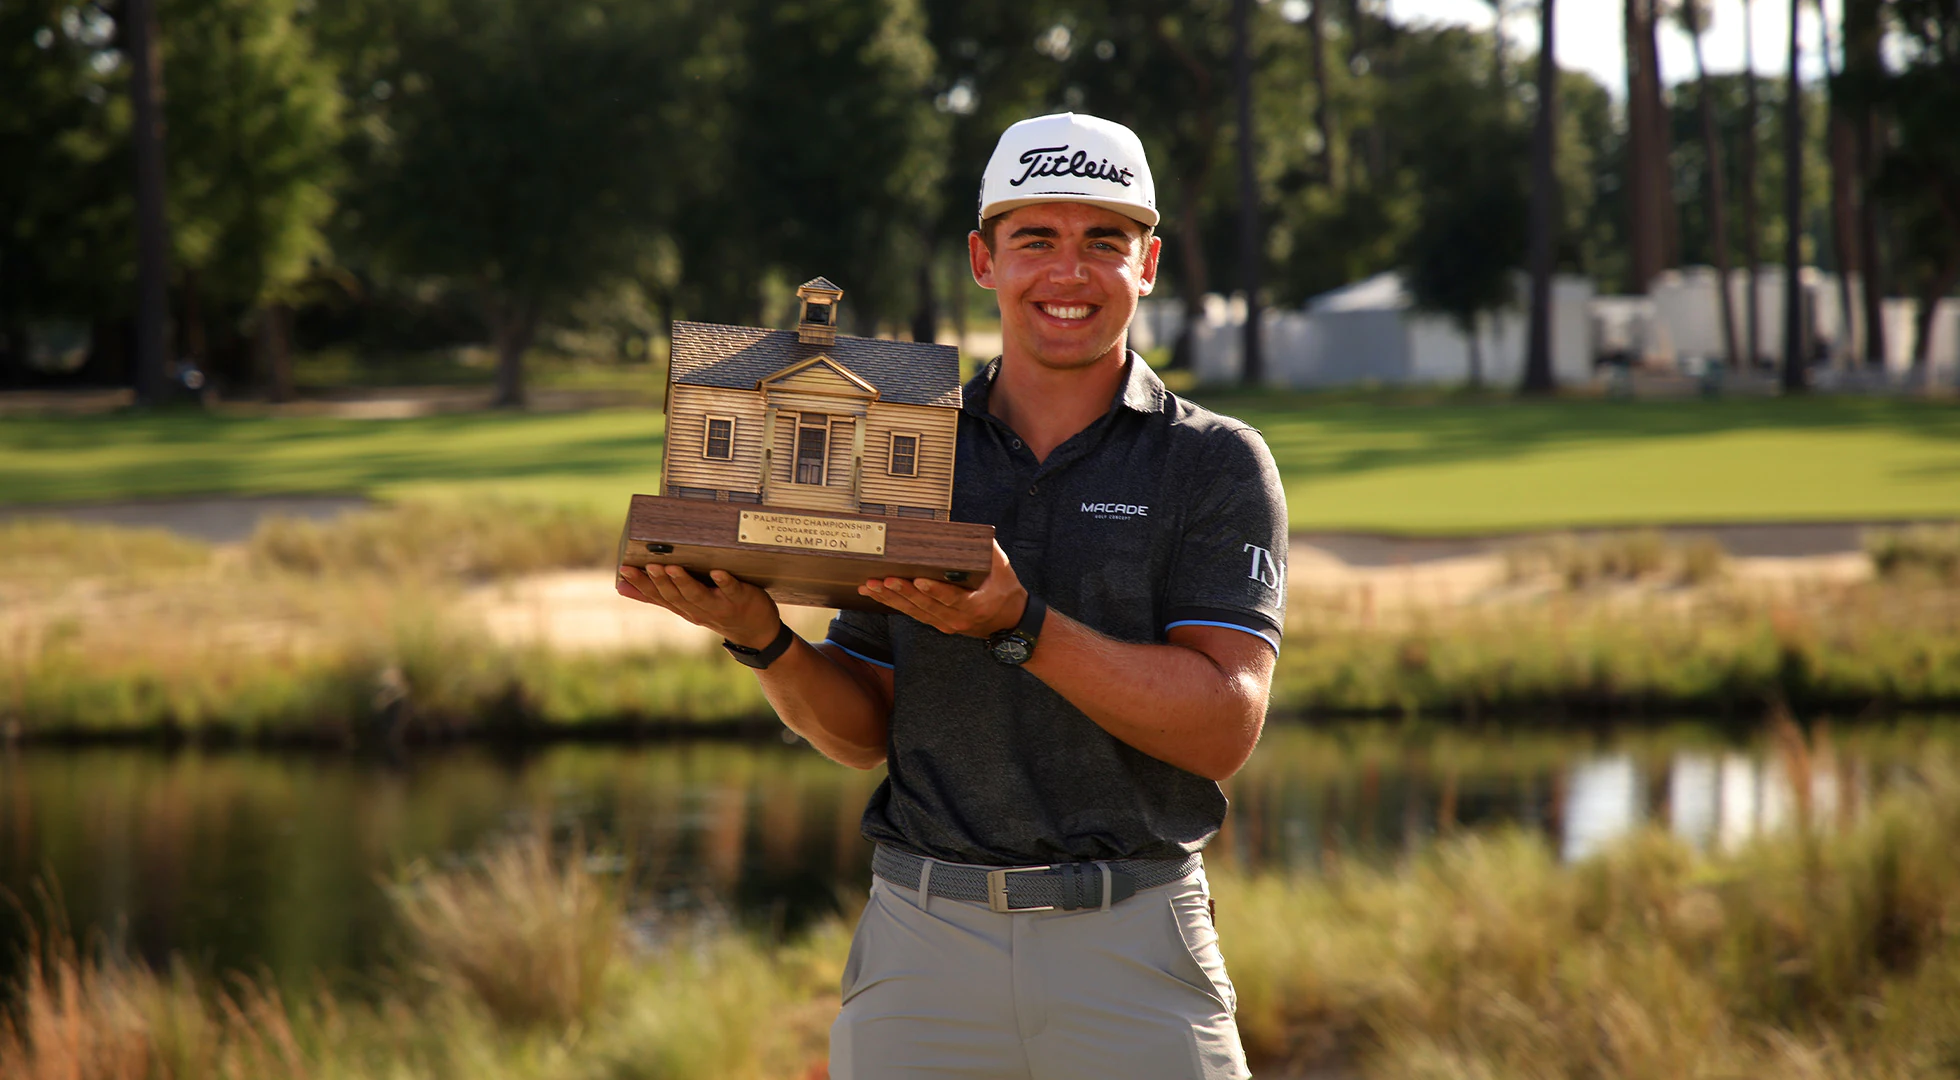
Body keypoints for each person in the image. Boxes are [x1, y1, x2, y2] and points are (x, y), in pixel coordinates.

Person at [616, 112, 1286, 1080]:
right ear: (982, 258)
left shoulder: (1215, 464)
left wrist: (1020, 626)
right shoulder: (917, 439)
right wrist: (762, 639)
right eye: (1035, 241)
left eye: (1104, 242)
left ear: (1146, 266)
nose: (1069, 273)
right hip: (922, 947)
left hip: (1133, 941)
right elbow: (863, 730)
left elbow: (1223, 725)